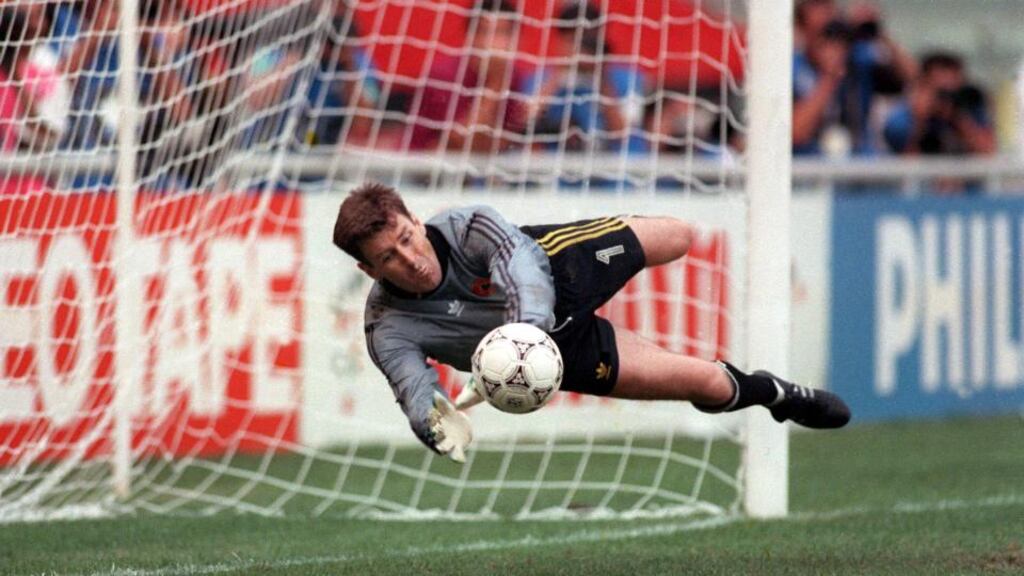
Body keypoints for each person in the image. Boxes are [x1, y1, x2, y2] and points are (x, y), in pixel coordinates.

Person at [332, 183, 851, 462]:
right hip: (558, 353)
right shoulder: (387, 327)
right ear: (368, 269)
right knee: (705, 381)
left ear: (416, 220)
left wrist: (523, 333)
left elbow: (519, 265)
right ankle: (780, 396)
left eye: (407, 238)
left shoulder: (469, 225)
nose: (410, 258)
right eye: (389, 257)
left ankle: (615, 231)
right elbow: (413, 389)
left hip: (559, 268)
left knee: (680, 236)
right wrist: (435, 425)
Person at [407, 0, 530, 152]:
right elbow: (461, 143)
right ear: (469, 36)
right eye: (486, 32)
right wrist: (497, 83)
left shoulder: (514, 76)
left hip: (481, 164)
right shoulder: (444, 75)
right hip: (420, 164)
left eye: (502, 32)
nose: (493, 42)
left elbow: (503, 141)